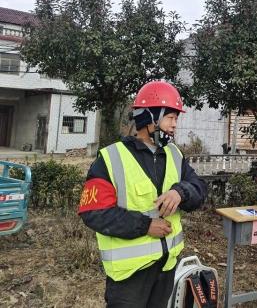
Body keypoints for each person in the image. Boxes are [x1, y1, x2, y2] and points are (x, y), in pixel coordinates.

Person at [78, 80, 208, 308]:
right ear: (149, 117)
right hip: (129, 277)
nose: (174, 124)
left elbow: (199, 188)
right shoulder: (111, 158)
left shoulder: (174, 154)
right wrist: (145, 225)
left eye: (176, 119)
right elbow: (94, 213)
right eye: (170, 117)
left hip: (166, 268)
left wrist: (181, 192)